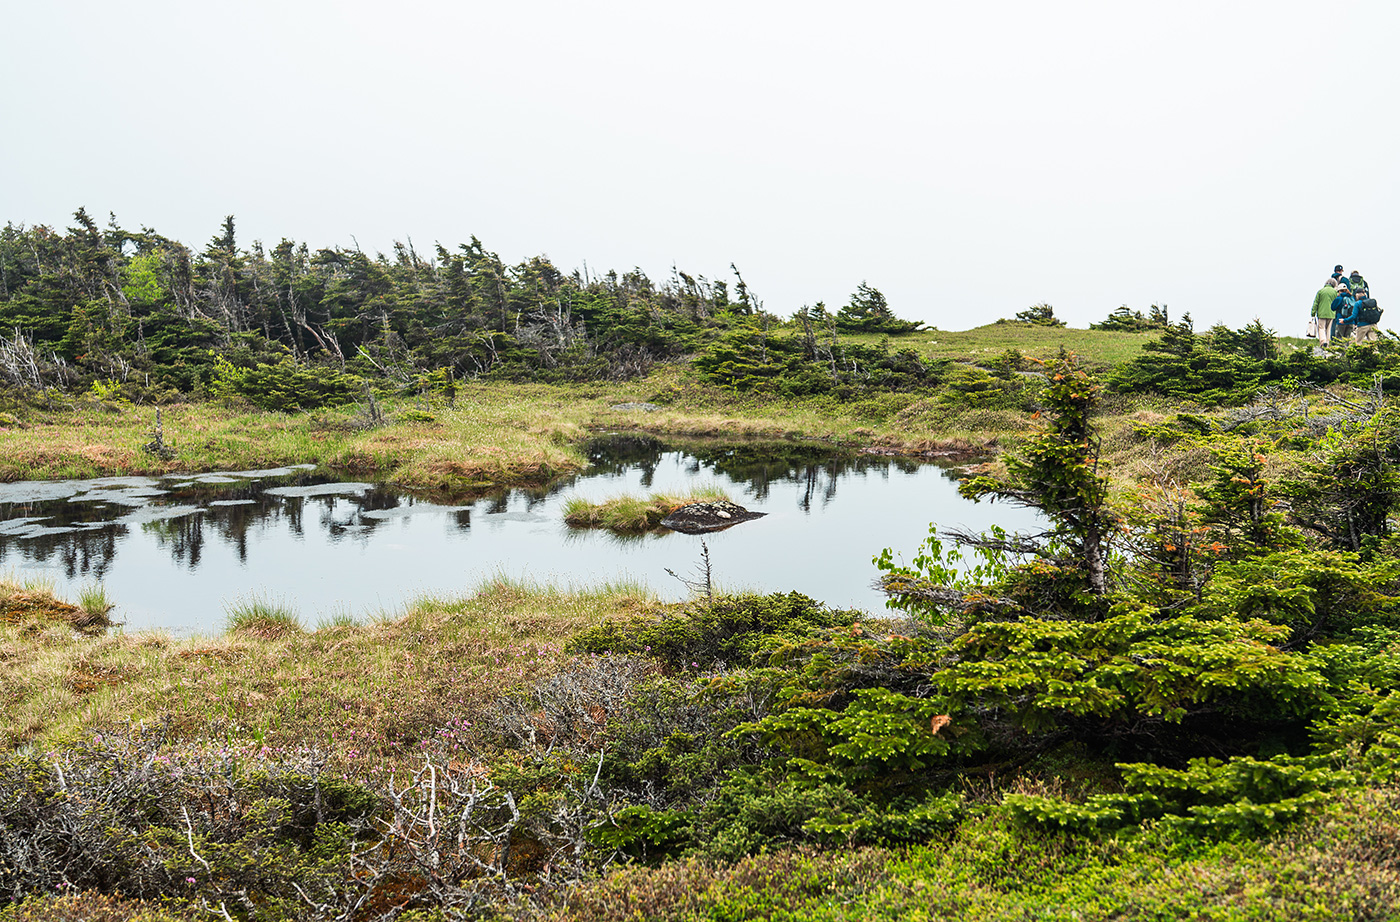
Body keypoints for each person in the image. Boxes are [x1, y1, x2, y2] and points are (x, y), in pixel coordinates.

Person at [1312, 278, 1338, 347]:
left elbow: (1316, 303)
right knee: (1328, 329)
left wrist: (1313, 313)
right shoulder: (1335, 292)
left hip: (1321, 313)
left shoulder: (1320, 291)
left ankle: (1323, 341)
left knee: (1321, 328)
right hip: (1331, 313)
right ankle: (1328, 342)